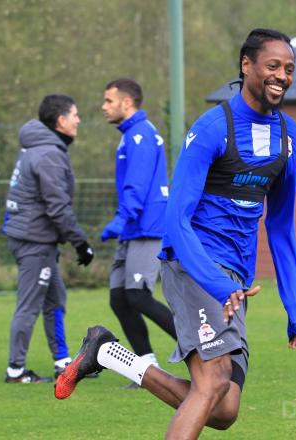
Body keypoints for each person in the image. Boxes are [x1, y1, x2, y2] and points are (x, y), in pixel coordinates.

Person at [55, 28, 296, 439]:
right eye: (273, 66)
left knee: (224, 410)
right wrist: (214, 281)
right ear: (247, 66)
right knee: (213, 380)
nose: (282, 75)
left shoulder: (291, 138)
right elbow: (177, 220)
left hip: (234, 280)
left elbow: (280, 225)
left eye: (289, 69)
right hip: (193, 264)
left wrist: (294, 307)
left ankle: (107, 352)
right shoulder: (212, 129)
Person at [2, 94, 94, 383]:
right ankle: (15, 370)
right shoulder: (49, 154)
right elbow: (57, 206)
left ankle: (63, 362)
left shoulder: (37, 149)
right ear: (61, 120)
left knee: (55, 299)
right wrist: (80, 241)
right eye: (75, 115)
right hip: (34, 241)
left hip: (32, 237)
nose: (79, 120)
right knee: (29, 304)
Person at [100, 78, 176, 378]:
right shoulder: (130, 134)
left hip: (146, 227)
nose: (103, 106)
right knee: (119, 298)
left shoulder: (141, 135)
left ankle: (200, 349)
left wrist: (122, 217)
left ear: (126, 103)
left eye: (108, 100)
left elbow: (138, 185)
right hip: (133, 227)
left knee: (138, 295)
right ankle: (147, 365)